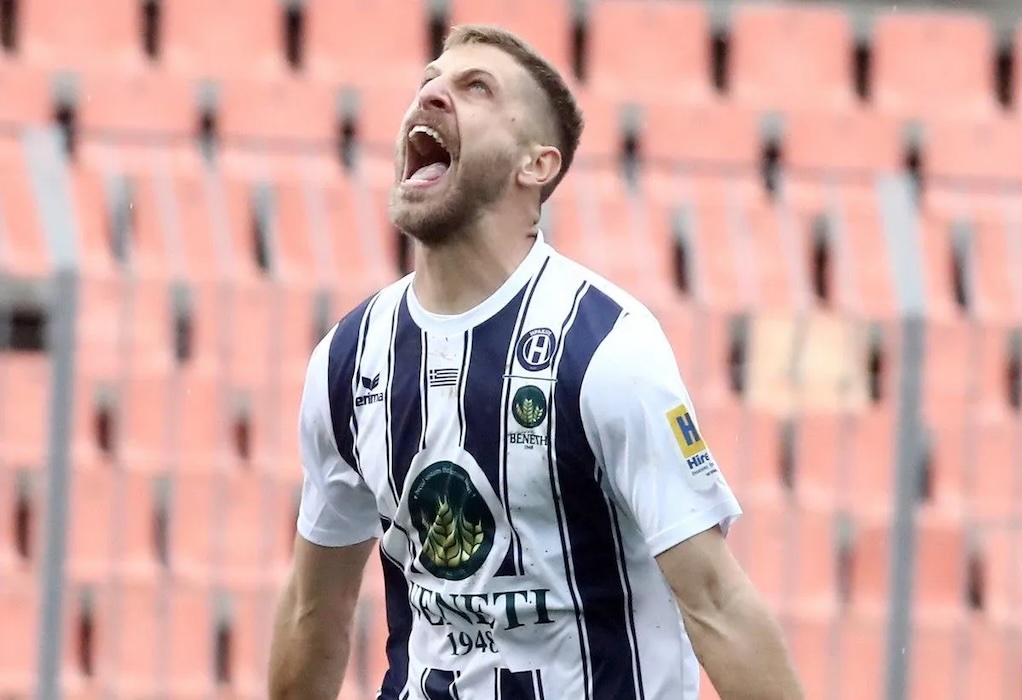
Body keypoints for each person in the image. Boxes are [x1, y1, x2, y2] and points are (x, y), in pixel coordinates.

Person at [268, 23, 804, 700]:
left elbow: (717, 605)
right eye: (429, 81)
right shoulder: (348, 361)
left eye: (477, 89)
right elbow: (314, 609)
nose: (431, 95)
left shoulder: (606, 349)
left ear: (536, 165)